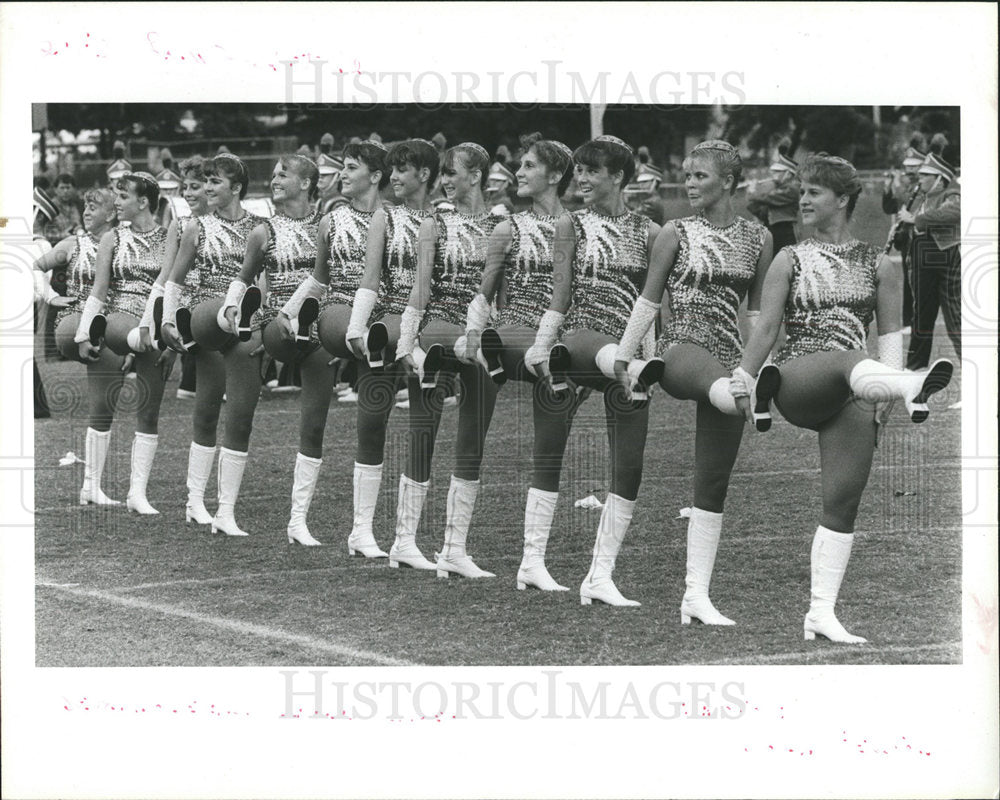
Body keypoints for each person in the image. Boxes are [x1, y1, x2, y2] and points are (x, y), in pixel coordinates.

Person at [731, 153, 954, 644]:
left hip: (856, 389)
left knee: (842, 504)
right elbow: (766, 328)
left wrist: (884, 396)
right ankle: (910, 385)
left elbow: (891, 336)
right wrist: (743, 381)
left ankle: (820, 614)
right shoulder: (790, 258)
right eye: (803, 191)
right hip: (798, 380)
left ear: (844, 199)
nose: (803, 199)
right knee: (848, 357)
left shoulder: (880, 263)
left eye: (814, 192)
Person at [614, 140, 773, 623]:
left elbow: (759, 315)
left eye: (700, 175)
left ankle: (695, 598)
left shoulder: (758, 237)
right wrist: (624, 355)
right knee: (724, 393)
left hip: (729, 361)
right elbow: (647, 300)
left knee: (713, 482)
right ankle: (732, 392)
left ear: (728, 181)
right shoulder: (674, 231)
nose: (690, 183)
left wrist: (755, 366)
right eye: (687, 174)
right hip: (680, 347)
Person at [533, 135, 663, 606]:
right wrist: (541, 349)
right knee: (549, 451)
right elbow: (560, 296)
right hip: (577, 343)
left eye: (592, 171)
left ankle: (599, 577)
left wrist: (648, 359)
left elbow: (651, 306)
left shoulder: (651, 232)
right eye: (579, 170)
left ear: (620, 177)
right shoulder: (570, 225)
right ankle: (532, 561)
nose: (581, 179)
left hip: (628, 354)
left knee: (629, 465)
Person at [460, 134, 575, 590]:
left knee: (550, 450)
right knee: (472, 439)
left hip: (556, 345)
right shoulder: (508, 227)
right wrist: (472, 337)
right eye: (520, 165)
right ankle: (453, 548)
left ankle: (532, 562)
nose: (519, 173)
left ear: (555, 175)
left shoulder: (579, 228)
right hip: (507, 335)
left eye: (529, 166)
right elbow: (483, 293)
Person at [394, 142, 505, 578]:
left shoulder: (504, 225)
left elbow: (503, 291)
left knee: (472, 440)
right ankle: (404, 541)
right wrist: (407, 344)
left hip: (481, 336)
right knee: (423, 433)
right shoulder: (434, 223)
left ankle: (454, 551)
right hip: (438, 327)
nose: (444, 180)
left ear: (476, 175)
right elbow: (420, 289)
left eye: (452, 172)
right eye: (441, 174)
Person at [273, 141, 388, 551]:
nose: (343, 174)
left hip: (378, 322)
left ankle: (362, 532)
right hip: (336, 314)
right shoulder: (332, 221)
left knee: (371, 427)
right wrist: (289, 310)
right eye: (343, 167)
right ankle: (297, 520)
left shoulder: (395, 219)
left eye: (352, 168)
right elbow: (319, 279)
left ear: (375, 175)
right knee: (314, 421)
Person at [331, 138, 440, 567]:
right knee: (372, 424)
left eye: (402, 170)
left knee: (423, 431)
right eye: (390, 170)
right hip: (383, 329)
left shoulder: (444, 219)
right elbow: (370, 278)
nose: (393, 177)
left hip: (430, 328)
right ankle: (361, 530)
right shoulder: (384, 217)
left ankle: (406, 541)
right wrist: (357, 329)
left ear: (425, 175)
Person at [217, 154, 322, 543]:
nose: (275, 179)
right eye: (274, 174)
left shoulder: (326, 227)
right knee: (240, 416)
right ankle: (224, 512)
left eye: (284, 174)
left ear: (308, 183)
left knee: (313, 424)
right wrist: (231, 307)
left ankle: (298, 522)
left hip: (315, 325)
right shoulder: (263, 231)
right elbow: (243, 277)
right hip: (265, 323)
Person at [161, 153, 265, 534]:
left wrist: (264, 327)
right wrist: (169, 319)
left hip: (244, 328)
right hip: (206, 319)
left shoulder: (260, 226)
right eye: (205, 181)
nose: (206, 188)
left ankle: (226, 512)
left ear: (236, 187)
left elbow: (265, 281)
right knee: (205, 413)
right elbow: (174, 279)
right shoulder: (197, 226)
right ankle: (194, 501)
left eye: (215, 181)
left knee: (240, 417)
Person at [66, 173, 169, 510]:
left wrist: (167, 335)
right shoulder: (112, 237)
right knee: (101, 407)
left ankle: (137, 494)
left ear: (143, 202)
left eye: (123, 196)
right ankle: (90, 486)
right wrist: (84, 335)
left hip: (152, 328)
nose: (118, 201)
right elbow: (98, 291)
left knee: (148, 411)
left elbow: (172, 291)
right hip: (113, 324)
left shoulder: (170, 238)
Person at [37, 187, 118, 426]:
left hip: (113, 321)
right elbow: (33, 267)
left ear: (111, 214)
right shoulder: (73, 243)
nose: (85, 212)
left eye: (93, 208)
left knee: (104, 409)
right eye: (85, 207)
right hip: (76, 319)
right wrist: (50, 296)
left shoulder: (124, 243)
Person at [897, 153, 961, 374]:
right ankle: (916, 367)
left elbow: (955, 211)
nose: (920, 178)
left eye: (926, 175)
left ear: (940, 178)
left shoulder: (950, 192)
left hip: (941, 256)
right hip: (921, 258)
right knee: (921, 314)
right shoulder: (923, 198)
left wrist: (915, 219)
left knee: (956, 317)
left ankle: (975, 378)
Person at [881, 139, 927, 328]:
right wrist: (887, 188)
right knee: (908, 282)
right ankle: (909, 321)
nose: (909, 170)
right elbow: (890, 208)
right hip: (906, 239)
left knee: (919, 282)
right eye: (907, 166)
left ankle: (917, 321)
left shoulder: (924, 187)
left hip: (920, 237)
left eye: (914, 167)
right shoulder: (906, 187)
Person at [747, 151, 799, 252]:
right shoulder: (778, 187)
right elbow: (760, 211)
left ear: (788, 174)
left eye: (778, 172)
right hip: (771, 229)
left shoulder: (793, 188)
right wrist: (751, 193)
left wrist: (753, 192)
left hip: (784, 231)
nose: (773, 174)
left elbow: (768, 198)